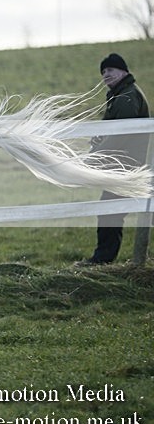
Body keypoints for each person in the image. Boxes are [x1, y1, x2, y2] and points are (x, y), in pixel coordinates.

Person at [77, 53, 150, 266]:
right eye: (103, 72)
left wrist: (93, 158)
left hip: (127, 167)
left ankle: (102, 260)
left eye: (110, 70)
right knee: (110, 210)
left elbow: (120, 135)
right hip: (125, 165)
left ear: (124, 71)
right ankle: (104, 258)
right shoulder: (120, 96)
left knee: (109, 211)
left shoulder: (126, 98)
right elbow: (111, 132)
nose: (105, 75)